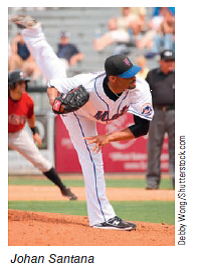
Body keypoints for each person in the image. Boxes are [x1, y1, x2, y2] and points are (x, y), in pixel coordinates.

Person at [9, 14, 154, 231]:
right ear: (113, 78)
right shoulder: (86, 84)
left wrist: (108, 137)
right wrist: (55, 102)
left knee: (55, 67)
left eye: (133, 72)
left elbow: (142, 127)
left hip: (94, 113)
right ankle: (102, 218)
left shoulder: (139, 88)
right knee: (92, 159)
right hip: (76, 114)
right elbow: (53, 85)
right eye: (128, 75)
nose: (134, 77)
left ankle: (33, 32)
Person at [8, 70, 78, 200]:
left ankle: (63, 188)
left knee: (40, 161)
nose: (23, 85)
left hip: (17, 134)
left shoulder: (27, 100)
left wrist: (35, 132)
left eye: (24, 83)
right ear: (10, 85)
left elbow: (30, 117)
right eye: (19, 83)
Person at [145, 50, 175, 190]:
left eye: (172, 61)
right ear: (160, 61)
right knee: (154, 147)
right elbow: (144, 94)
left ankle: (179, 181)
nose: (170, 63)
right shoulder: (152, 75)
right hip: (156, 112)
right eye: (167, 61)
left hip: (176, 112)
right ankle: (152, 181)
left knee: (178, 148)